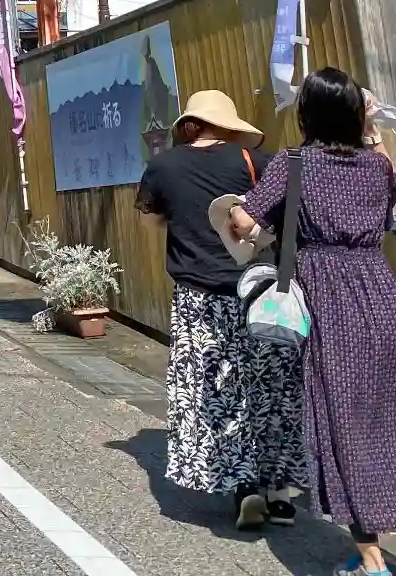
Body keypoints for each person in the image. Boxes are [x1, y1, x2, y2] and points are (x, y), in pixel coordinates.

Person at [231, 68, 396, 576]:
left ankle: (373, 563)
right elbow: (388, 197)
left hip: (328, 301)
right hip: (380, 294)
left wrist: (236, 217)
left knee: (343, 426)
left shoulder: (293, 163)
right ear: (357, 114)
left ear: (306, 114)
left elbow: (246, 221)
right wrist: (372, 129)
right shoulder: (377, 166)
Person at [136, 89, 306, 531]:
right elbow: (288, 209)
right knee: (272, 391)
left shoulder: (163, 166)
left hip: (199, 299)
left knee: (217, 393)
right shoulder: (255, 162)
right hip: (260, 294)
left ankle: (241, 485)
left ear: (190, 125)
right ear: (229, 127)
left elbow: (150, 221)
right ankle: (281, 495)